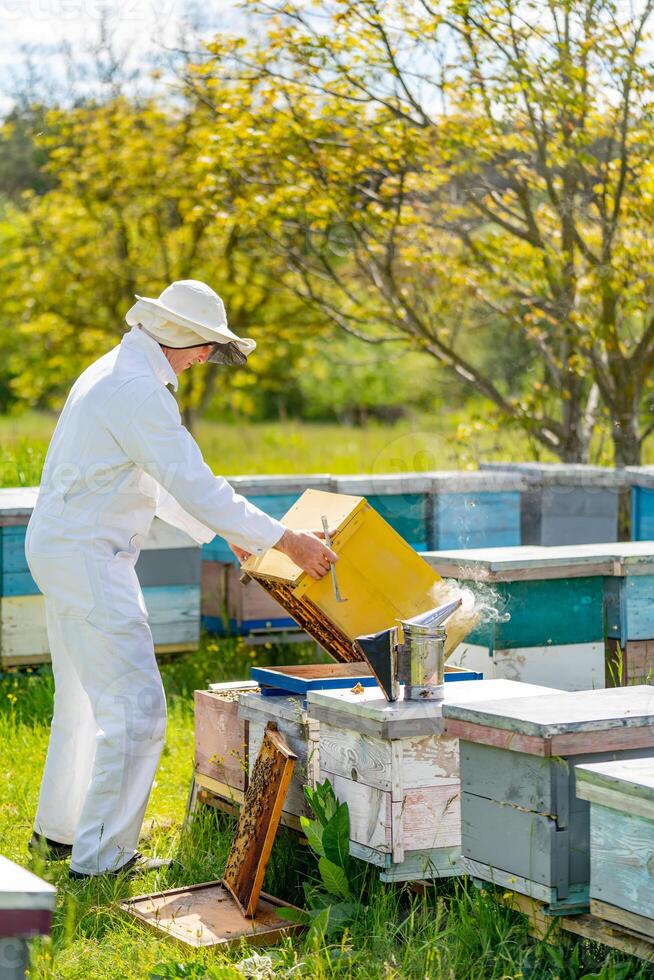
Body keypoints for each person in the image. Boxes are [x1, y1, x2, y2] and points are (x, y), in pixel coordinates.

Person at [25, 279, 337, 879]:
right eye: (203, 346)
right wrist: (287, 540)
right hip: (89, 557)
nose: (205, 358)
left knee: (88, 703)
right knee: (137, 709)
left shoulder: (114, 371)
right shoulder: (138, 390)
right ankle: (102, 862)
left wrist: (233, 532)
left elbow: (155, 482)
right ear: (176, 336)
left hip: (71, 549)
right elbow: (194, 483)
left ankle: (60, 836)